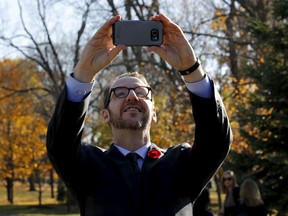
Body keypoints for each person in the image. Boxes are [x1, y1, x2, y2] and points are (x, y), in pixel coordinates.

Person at [46, 13, 233, 216]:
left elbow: (217, 142)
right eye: (120, 93)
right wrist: (84, 71)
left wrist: (191, 68)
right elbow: (60, 145)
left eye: (142, 92)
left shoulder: (180, 164)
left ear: (154, 114)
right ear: (105, 115)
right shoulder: (89, 165)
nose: (132, 96)